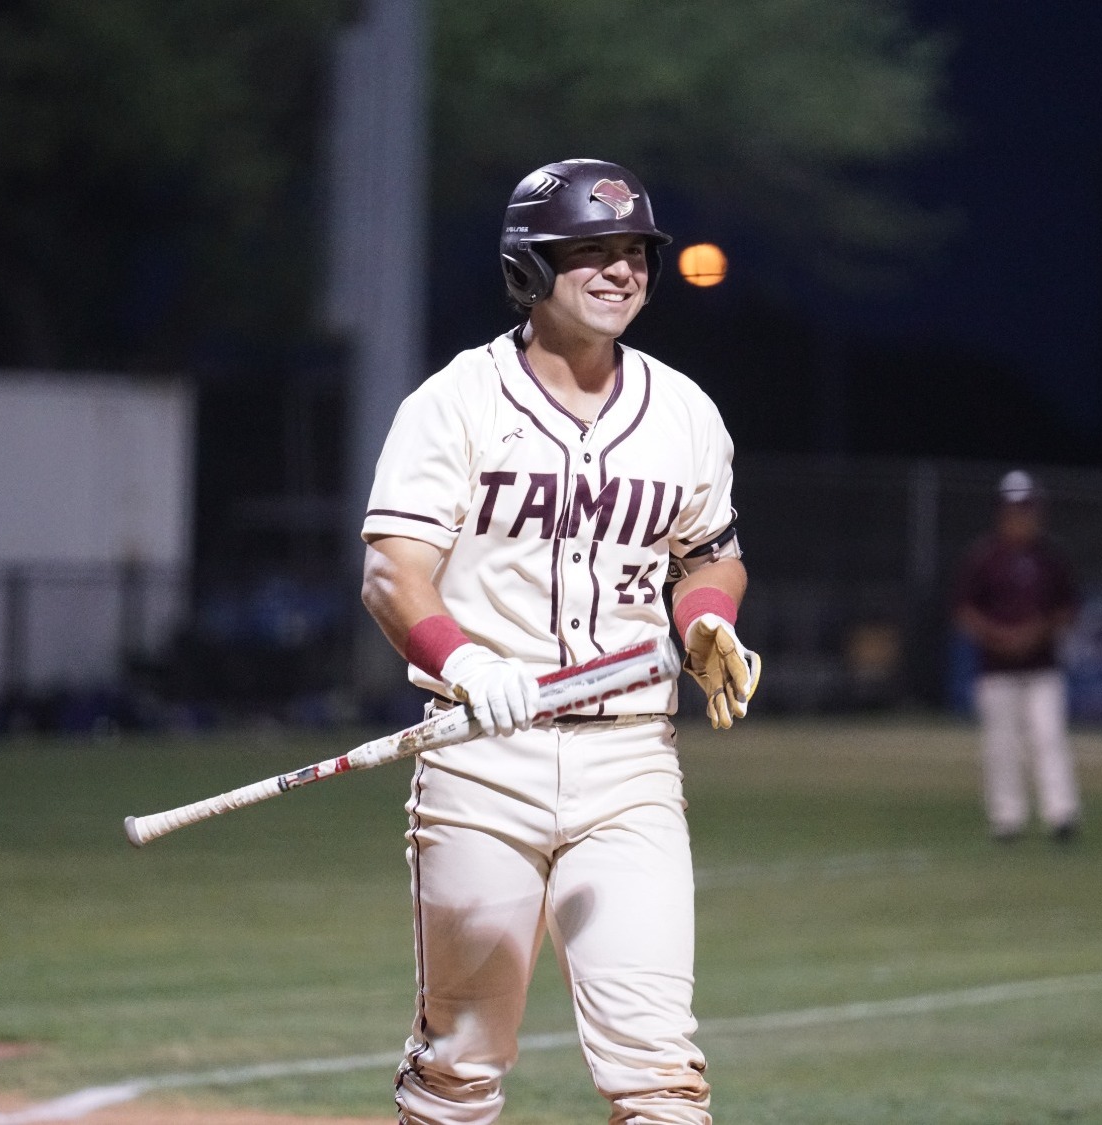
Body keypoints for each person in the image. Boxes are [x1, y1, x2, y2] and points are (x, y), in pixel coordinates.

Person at [359, 158, 759, 1125]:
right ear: (528, 267)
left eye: (636, 252)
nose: (622, 271)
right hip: (480, 761)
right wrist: (463, 660)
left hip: (630, 763)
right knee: (459, 1066)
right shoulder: (456, 402)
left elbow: (712, 556)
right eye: (592, 250)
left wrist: (706, 620)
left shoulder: (684, 411)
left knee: (659, 1069)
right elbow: (392, 573)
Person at [952, 470, 1082, 843]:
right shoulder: (984, 557)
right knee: (1001, 745)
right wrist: (998, 636)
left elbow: (1068, 608)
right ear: (1002, 512)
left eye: (1027, 509)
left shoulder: (1051, 557)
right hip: (996, 668)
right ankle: (1006, 819)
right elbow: (963, 610)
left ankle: (1061, 815)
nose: (1022, 517)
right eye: (1015, 509)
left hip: (1042, 666)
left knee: (1048, 737)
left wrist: (1036, 633)